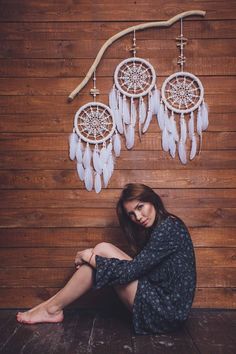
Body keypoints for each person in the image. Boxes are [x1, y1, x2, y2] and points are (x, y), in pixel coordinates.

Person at [16, 183, 196, 334]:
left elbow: (130, 272)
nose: (138, 217)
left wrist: (88, 256)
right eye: (131, 214)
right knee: (100, 256)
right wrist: (93, 259)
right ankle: (48, 308)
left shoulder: (168, 228)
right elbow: (137, 269)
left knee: (100, 252)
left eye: (140, 207)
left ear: (153, 200)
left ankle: (50, 309)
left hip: (165, 312)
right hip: (159, 299)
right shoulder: (161, 226)